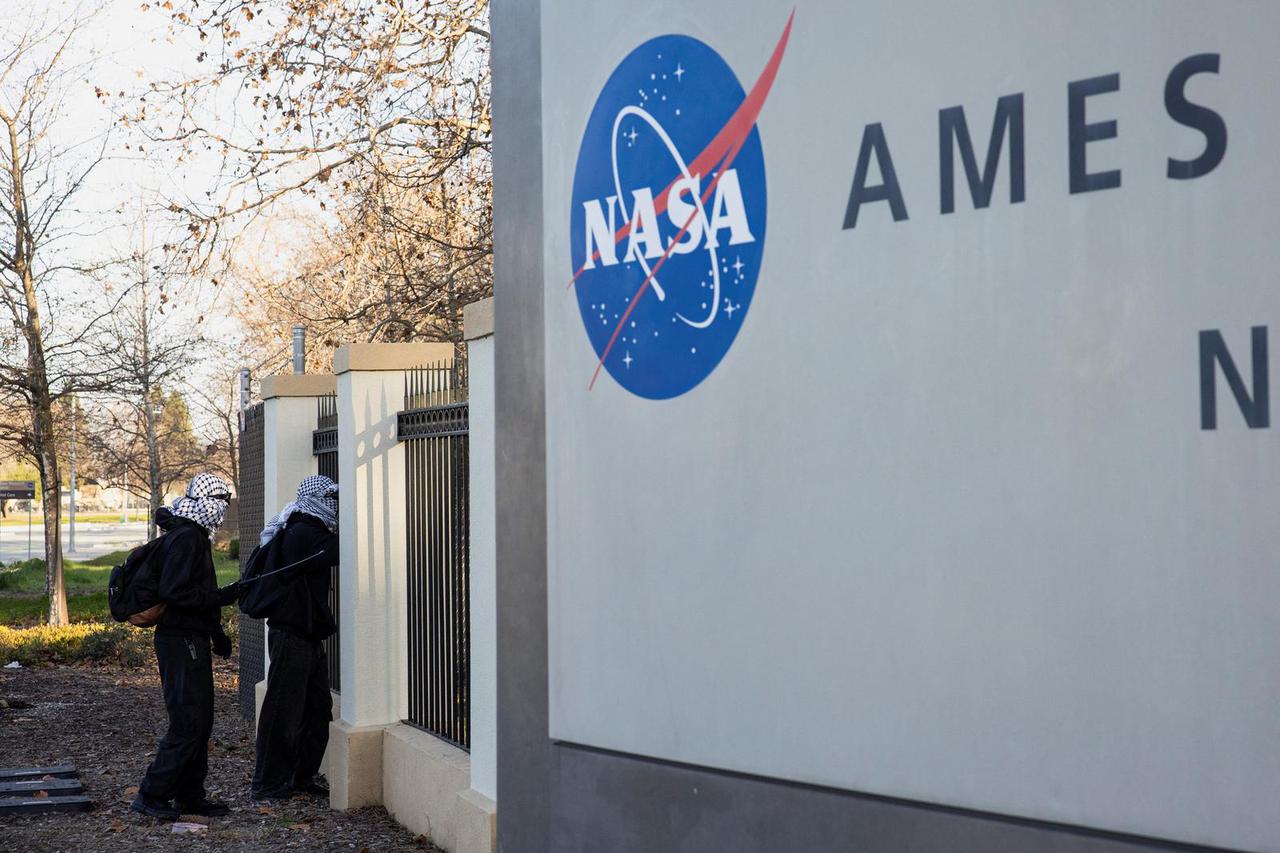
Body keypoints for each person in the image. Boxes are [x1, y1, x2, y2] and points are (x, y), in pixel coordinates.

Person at [131, 474, 240, 821]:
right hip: (180, 641)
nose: (223, 509)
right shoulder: (188, 538)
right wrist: (222, 596)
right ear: (206, 502)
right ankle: (151, 794)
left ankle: (190, 796)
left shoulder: (192, 535)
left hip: (190, 639)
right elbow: (176, 591)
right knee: (188, 722)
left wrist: (216, 633)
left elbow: (193, 593)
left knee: (200, 721)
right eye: (220, 501)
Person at [252, 474, 339, 800]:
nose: (336, 504)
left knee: (317, 709)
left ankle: (301, 776)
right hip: (291, 633)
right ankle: (269, 783)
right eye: (331, 498)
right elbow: (336, 551)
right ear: (317, 500)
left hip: (306, 633)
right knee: (283, 710)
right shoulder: (304, 530)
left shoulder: (310, 527)